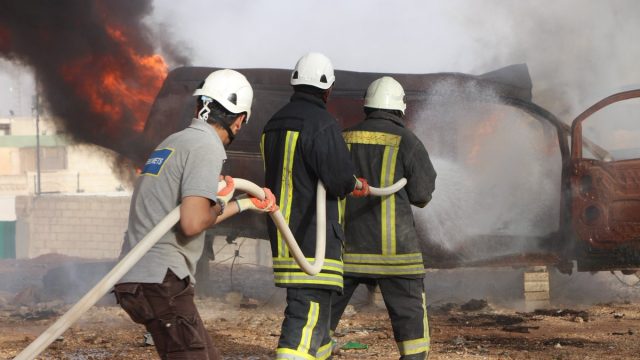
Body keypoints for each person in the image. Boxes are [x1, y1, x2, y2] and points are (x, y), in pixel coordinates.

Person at [114, 69, 277, 360]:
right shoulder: (206, 146)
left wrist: (244, 203)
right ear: (240, 120)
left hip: (137, 279)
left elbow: (188, 214)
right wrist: (224, 202)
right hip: (161, 279)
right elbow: (192, 222)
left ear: (199, 105)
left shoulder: (173, 142)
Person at [261, 52, 368, 360]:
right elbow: (336, 178)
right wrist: (352, 183)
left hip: (284, 236)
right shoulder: (322, 123)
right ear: (327, 90)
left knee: (318, 322)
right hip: (313, 239)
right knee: (305, 313)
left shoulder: (273, 123)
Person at [329, 76, 437, 360]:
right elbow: (422, 195)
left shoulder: (343, 138)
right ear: (400, 109)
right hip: (396, 257)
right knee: (411, 329)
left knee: (321, 320)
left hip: (346, 252)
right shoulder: (408, 141)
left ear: (367, 107)